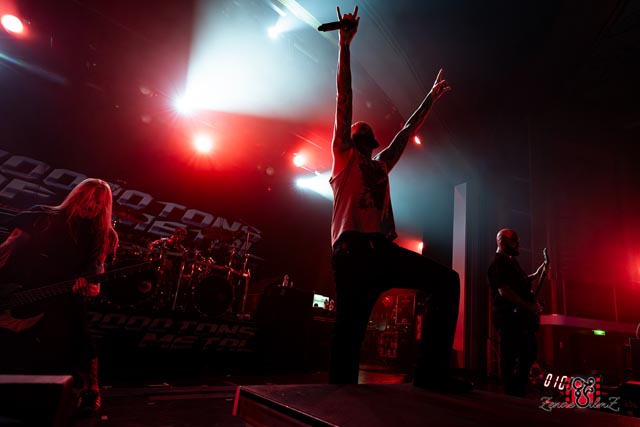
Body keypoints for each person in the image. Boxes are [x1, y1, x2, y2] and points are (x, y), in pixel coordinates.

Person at [328, 5, 470, 392]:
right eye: (357, 128)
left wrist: (431, 98)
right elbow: (344, 99)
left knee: (447, 282)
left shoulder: (380, 165)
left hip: (380, 250)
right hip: (352, 251)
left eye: (363, 130)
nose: (359, 129)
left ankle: (431, 373)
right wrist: (345, 46)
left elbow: (407, 129)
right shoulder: (343, 157)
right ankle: (337, 397)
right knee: (349, 331)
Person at [0, 178, 119, 414]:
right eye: (87, 199)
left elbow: (97, 273)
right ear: (75, 197)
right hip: (20, 289)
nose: (91, 205)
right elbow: (8, 247)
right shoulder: (42, 217)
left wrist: (93, 288)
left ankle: (91, 390)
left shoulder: (103, 235)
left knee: (80, 332)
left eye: (98, 203)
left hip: (64, 295)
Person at [487, 228, 546, 397]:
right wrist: (528, 306)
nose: (517, 245)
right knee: (511, 355)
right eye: (514, 241)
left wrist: (537, 273)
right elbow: (504, 290)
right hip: (509, 318)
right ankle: (511, 392)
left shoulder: (511, 261)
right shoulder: (497, 263)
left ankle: (518, 388)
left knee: (528, 351)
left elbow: (521, 281)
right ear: (502, 242)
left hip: (519, 318)